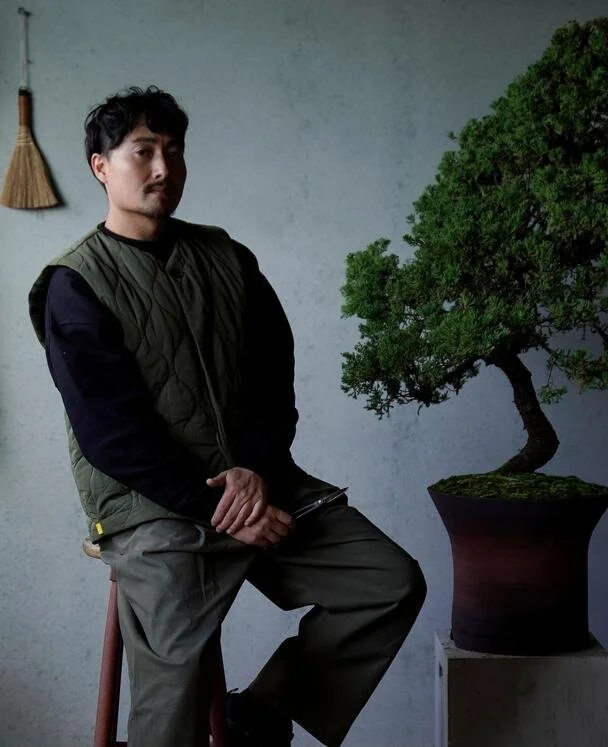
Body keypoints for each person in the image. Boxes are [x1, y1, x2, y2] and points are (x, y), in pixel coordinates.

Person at [28, 86, 426, 747]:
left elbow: (274, 382)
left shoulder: (228, 258)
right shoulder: (75, 283)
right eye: (143, 151)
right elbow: (111, 435)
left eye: (174, 151)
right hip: (151, 508)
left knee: (387, 582)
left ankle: (260, 713)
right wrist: (219, 504)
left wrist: (255, 472)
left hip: (258, 485)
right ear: (101, 165)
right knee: (175, 690)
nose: (163, 168)